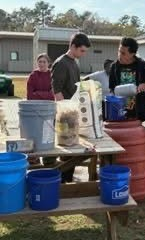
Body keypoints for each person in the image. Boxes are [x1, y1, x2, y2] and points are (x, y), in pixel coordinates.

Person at [51, 32, 91, 183]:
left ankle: (67, 182)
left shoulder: (74, 62)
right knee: (66, 152)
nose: (83, 54)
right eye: (82, 50)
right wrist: (66, 115)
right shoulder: (61, 63)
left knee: (73, 151)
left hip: (73, 112)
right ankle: (62, 184)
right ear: (73, 46)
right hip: (65, 115)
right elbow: (57, 91)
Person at [109, 37, 145, 121]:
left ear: (132, 54)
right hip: (120, 112)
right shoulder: (114, 66)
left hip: (140, 115)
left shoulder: (143, 66)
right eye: (119, 51)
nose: (119, 55)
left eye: (123, 53)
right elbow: (111, 88)